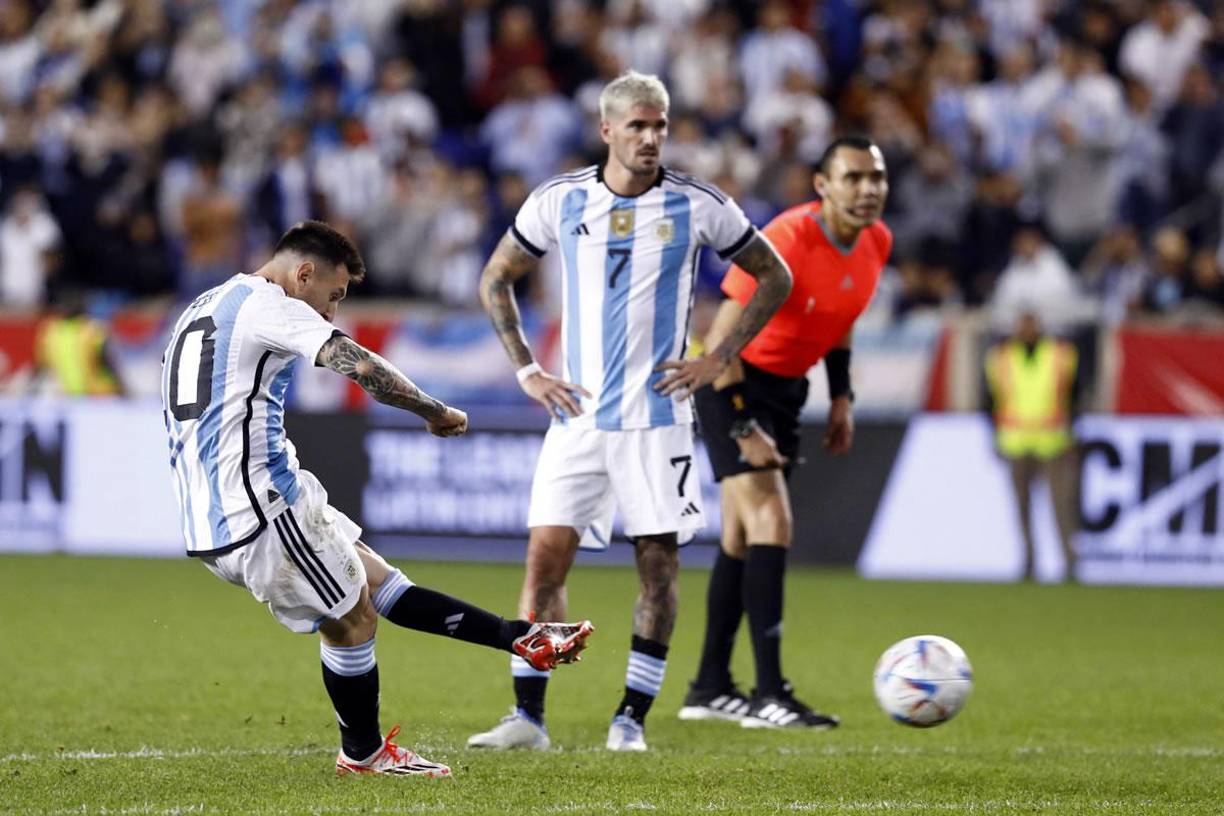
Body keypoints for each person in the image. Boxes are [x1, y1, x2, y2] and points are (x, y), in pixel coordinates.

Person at [160, 220, 593, 778]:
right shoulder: (270, 304)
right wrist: (434, 411)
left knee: (378, 583)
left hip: (238, 503)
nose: (332, 312)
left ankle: (521, 639)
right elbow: (360, 364)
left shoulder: (207, 304)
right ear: (304, 273)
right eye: (333, 296)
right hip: (257, 508)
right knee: (354, 621)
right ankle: (363, 753)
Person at [469, 70, 793, 752]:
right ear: (607, 130)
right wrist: (527, 368)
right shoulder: (559, 201)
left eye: (661, 126)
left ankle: (630, 720)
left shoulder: (698, 205)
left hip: (657, 420)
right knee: (543, 564)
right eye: (639, 126)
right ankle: (528, 718)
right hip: (577, 418)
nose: (652, 138)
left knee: (657, 568)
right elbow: (497, 276)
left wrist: (717, 355)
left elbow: (775, 274)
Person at [678, 136, 892, 729]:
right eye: (853, 177)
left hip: (788, 390)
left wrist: (841, 395)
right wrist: (744, 422)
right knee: (773, 518)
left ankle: (710, 686)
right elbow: (721, 338)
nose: (868, 188)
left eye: (876, 177)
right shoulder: (790, 239)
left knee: (743, 539)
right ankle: (770, 692)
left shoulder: (877, 241)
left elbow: (841, 319)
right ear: (822, 186)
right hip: (730, 382)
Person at [984, 310, 1080, 582]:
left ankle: (1070, 563)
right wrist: (994, 435)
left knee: (1061, 505)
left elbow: (1075, 395)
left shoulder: (1060, 354)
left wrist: (1072, 432)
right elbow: (989, 400)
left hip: (1054, 441)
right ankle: (1028, 562)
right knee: (1022, 507)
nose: (1027, 329)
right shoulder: (1001, 357)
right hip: (1015, 442)